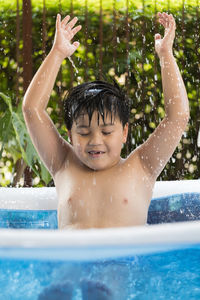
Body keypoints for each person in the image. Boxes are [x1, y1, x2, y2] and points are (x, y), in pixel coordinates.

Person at [23, 11, 189, 300]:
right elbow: (32, 111)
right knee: (56, 290)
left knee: (103, 290)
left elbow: (177, 117)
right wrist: (57, 53)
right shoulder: (64, 164)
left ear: (124, 133)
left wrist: (166, 56)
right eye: (84, 132)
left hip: (120, 262)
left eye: (106, 131)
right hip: (69, 260)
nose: (94, 141)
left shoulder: (141, 167)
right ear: (71, 135)